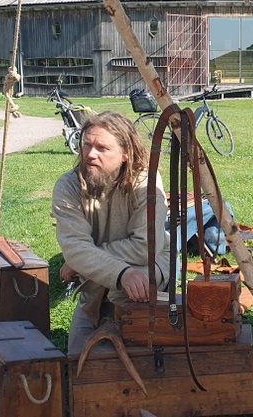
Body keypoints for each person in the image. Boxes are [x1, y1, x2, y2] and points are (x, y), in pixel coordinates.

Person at [51, 112, 171, 352]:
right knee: (78, 362)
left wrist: (86, 259)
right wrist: (119, 272)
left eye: (102, 148)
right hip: (97, 284)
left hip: (147, 269)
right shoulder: (68, 186)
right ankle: (100, 313)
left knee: (144, 357)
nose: (90, 154)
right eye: (86, 145)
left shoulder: (145, 181)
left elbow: (143, 247)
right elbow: (75, 249)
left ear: (126, 153)